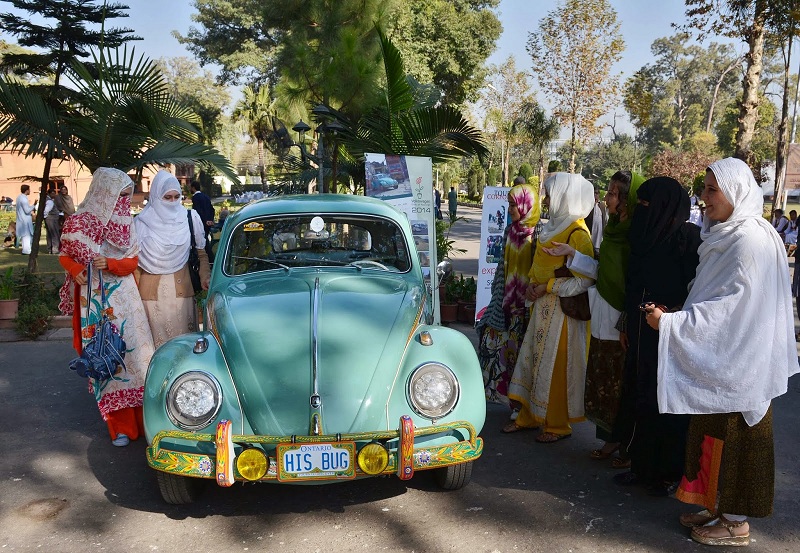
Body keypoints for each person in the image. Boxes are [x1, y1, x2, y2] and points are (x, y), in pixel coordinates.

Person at [644, 158, 799, 546]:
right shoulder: (726, 234)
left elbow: (732, 311)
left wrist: (671, 324)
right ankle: (718, 505)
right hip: (725, 358)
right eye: (704, 189)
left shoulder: (749, 240)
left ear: (737, 192)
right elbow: (712, 296)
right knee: (713, 434)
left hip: (742, 362)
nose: (704, 197)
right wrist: (682, 315)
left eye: (713, 190)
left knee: (738, 440)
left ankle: (736, 521)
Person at [543, 170, 644, 467]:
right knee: (603, 379)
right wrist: (572, 253)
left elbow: (633, 283)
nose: (607, 198)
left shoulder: (633, 236)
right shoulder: (613, 231)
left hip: (619, 320)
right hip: (602, 314)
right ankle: (610, 439)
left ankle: (624, 443)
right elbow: (601, 270)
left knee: (618, 384)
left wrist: (626, 320)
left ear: (625, 201)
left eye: (613, 193)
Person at [613, 177, 701, 496]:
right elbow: (632, 283)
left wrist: (671, 314)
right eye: (641, 204)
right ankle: (641, 465)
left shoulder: (688, 239)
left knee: (666, 400)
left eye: (648, 204)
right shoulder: (642, 236)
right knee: (641, 393)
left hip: (671, 333)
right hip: (640, 330)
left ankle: (667, 473)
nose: (642, 210)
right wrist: (626, 322)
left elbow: (697, 291)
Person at [58, 168, 155, 447]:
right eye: (120, 196)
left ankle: (145, 421)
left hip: (125, 299)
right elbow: (65, 255)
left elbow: (132, 261)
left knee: (137, 359)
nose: (125, 202)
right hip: (94, 299)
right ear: (105, 193)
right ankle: (119, 428)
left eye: (127, 196)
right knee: (105, 359)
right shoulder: (79, 223)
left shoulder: (128, 225)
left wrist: (111, 264)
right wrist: (77, 268)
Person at [506, 172, 595, 442]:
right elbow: (538, 265)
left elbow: (585, 280)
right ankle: (529, 417)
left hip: (563, 315)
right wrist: (533, 287)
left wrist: (547, 287)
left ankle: (557, 425)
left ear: (563, 197)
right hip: (541, 307)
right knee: (533, 361)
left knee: (556, 368)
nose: (545, 199)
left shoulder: (578, 233)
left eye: (549, 194)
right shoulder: (551, 227)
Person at [477, 177, 542, 412]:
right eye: (509, 205)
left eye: (514, 205)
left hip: (527, 306)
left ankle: (523, 406)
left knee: (524, 356)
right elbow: (501, 270)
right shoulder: (509, 231)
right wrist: (497, 297)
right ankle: (508, 402)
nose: (511, 210)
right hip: (506, 304)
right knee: (500, 350)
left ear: (526, 205)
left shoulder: (538, 234)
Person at [135, 170, 211, 349]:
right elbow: (134, 264)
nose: (172, 202)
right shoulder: (141, 223)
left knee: (184, 347)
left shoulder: (189, 218)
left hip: (182, 297)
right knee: (156, 349)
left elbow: (202, 255)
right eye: (167, 197)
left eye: (176, 197)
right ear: (155, 196)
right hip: (151, 299)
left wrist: (204, 277)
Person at [190, 181, 215, 257]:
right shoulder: (206, 196)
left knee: (203, 241)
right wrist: (210, 219)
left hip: (201, 222)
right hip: (208, 222)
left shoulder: (195, 198)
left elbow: (198, 211)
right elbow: (211, 209)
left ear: (193, 187)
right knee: (205, 239)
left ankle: (209, 257)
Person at [584, 185, 607, 256]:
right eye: (594, 193)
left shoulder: (602, 205)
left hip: (599, 232)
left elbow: (605, 218)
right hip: (590, 231)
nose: (595, 195)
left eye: (597, 193)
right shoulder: (587, 205)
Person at [15, 184, 34, 254]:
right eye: (29, 189)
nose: (30, 191)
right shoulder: (23, 199)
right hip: (24, 220)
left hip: (22, 219)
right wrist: (34, 205)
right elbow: (27, 210)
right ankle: (26, 250)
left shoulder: (19, 197)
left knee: (25, 236)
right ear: (26, 190)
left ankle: (26, 250)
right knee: (26, 236)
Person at [43, 188, 61, 254]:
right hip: (52, 219)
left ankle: (50, 249)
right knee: (54, 234)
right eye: (52, 193)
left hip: (49, 218)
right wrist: (46, 217)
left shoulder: (48, 200)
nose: (54, 194)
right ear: (49, 194)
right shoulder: (49, 201)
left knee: (50, 234)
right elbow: (46, 211)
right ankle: (55, 249)